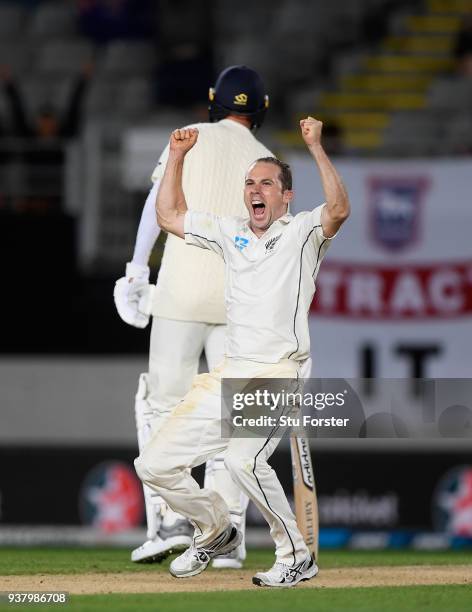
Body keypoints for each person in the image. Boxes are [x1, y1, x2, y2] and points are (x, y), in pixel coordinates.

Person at [134, 116, 350, 587]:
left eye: (267, 184)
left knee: (241, 461)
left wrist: (315, 147)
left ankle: (296, 555)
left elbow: (338, 208)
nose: (256, 190)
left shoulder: (303, 234)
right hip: (230, 375)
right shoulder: (229, 233)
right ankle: (217, 532)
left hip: (278, 372)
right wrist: (176, 156)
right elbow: (169, 216)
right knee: (153, 465)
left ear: (285, 196)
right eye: (250, 183)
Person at [114, 65, 273, 567]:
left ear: (214, 103)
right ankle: (227, 535)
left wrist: (137, 271)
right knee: (233, 415)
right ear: (259, 111)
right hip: (238, 301)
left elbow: (157, 204)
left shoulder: (192, 136)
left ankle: (172, 522)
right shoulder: (268, 160)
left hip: (181, 292)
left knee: (163, 405)